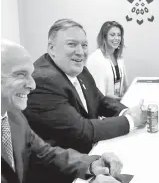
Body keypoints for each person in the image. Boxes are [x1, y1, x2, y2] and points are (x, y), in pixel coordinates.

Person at [1, 39, 123, 183]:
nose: (33, 85)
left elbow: (45, 153)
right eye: (20, 74)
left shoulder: (14, 116)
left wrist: (91, 164)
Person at [87, 21, 128, 99]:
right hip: (103, 107)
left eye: (119, 35)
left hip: (117, 104)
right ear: (104, 37)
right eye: (112, 35)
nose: (116, 38)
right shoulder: (95, 59)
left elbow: (124, 86)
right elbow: (98, 93)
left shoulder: (119, 57)